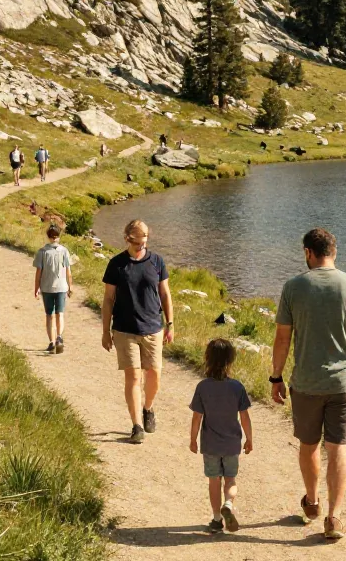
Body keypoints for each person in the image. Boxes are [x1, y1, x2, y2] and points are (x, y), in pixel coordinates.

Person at [271, 227, 346, 541]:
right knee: (338, 448)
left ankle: (312, 502)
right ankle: (334, 517)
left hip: (306, 383)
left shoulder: (293, 287)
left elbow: (282, 339)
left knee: (309, 446)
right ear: (334, 252)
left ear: (308, 252)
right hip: (345, 384)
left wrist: (276, 377)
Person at [101, 219, 175, 444]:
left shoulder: (157, 262)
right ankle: (136, 426)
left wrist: (170, 324)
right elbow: (108, 299)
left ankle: (148, 408)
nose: (141, 246)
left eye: (144, 242)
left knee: (154, 375)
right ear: (127, 239)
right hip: (125, 329)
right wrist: (105, 331)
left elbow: (165, 294)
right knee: (133, 376)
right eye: (137, 243)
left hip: (153, 328)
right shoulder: (116, 264)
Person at [189, 338, 253, 533]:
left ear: (207, 359)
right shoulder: (237, 387)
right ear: (230, 361)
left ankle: (217, 519)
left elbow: (197, 417)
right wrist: (249, 439)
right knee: (230, 479)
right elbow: (244, 417)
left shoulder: (203, 387)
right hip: (232, 444)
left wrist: (193, 440)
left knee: (214, 481)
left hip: (210, 445)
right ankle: (229, 504)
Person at [33, 223, 73, 354]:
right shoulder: (64, 251)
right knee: (59, 313)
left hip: (47, 287)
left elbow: (38, 272)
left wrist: (36, 288)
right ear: (58, 236)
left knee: (49, 315)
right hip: (61, 287)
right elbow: (68, 271)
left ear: (48, 237)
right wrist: (70, 286)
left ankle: (51, 342)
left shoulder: (42, 252)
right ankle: (59, 337)